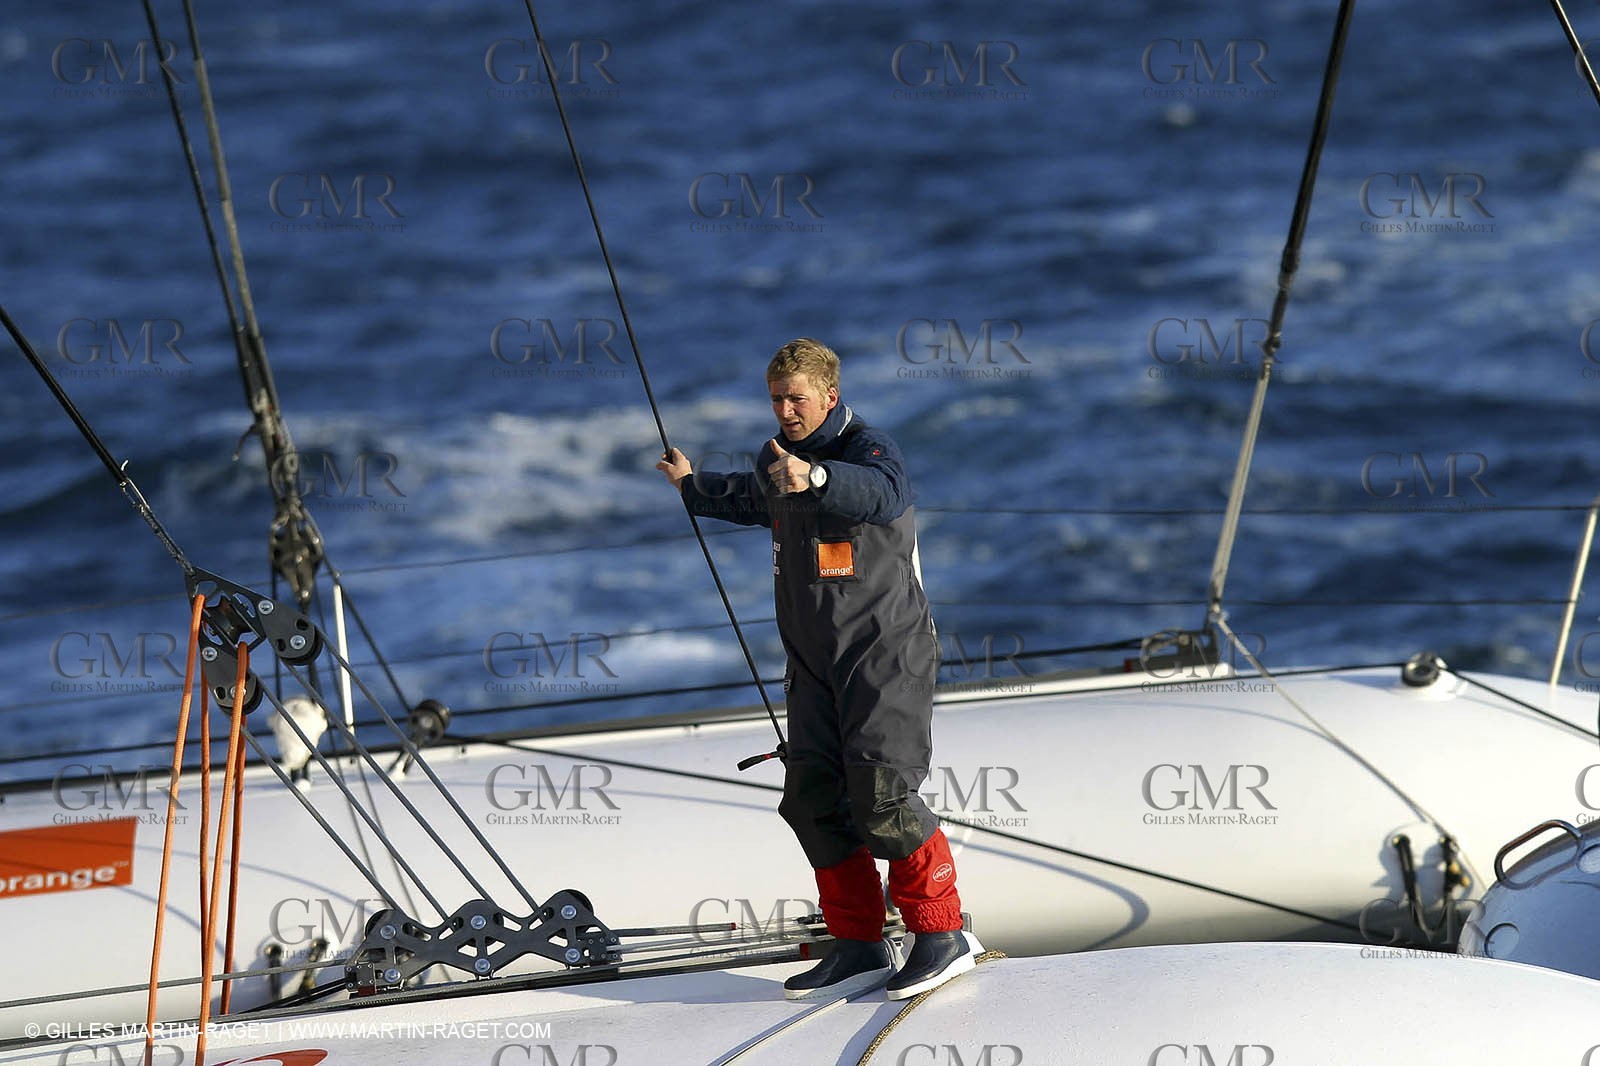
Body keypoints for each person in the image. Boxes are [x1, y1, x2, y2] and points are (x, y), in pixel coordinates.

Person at [655, 337, 982, 1001]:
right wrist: (691, 486)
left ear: (829, 396)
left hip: (882, 653)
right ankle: (860, 946)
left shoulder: (869, 451)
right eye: (776, 399)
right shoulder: (780, 460)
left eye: (796, 399)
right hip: (813, 663)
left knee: (882, 795)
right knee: (809, 800)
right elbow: (754, 497)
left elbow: (879, 493)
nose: (785, 411)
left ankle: (941, 935)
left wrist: (819, 478)